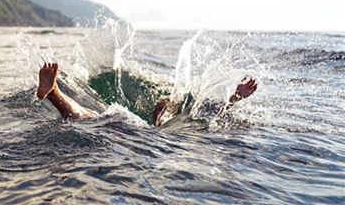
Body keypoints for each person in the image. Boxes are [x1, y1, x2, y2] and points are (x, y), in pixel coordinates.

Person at [36, 62, 258, 126]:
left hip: (123, 125)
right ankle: (53, 92)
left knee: (87, 117)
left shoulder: (135, 119)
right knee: (87, 117)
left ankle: (54, 92)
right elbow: (208, 113)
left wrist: (234, 98)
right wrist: (234, 99)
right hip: (134, 132)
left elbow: (206, 111)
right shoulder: (167, 127)